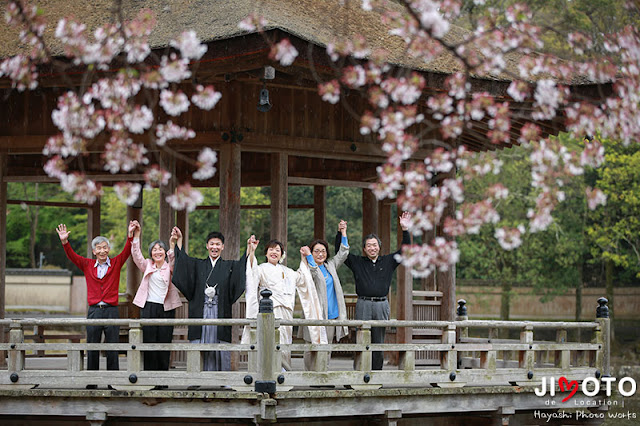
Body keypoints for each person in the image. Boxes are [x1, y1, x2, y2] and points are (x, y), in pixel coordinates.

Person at [335, 212, 411, 370]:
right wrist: (341, 233)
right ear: (364, 248)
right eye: (369, 245)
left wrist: (405, 229)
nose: (372, 248)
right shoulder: (358, 262)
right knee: (362, 340)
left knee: (378, 341)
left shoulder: (388, 261)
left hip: (381, 304)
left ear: (379, 247)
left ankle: (377, 374)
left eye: (374, 245)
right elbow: (340, 253)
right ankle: (360, 373)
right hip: (363, 303)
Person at [56, 222, 134, 373]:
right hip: (94, 311)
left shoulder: (116, 263)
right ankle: (92, 379)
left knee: (112, 346)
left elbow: (126, 251)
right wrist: (65, 242)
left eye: (105, 247)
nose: (102, 250)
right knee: (92, 346)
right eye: (99, 248)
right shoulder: (87, 264)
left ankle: (112, 380)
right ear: (94, 251)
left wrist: (130, 235)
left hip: (111, 311)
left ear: (109, 250)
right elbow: (73, 256)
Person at [170, 227, 251, 371]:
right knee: (199, 341)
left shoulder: (229, 266)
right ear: (207, 246)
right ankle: (196, 378)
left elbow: (241, 267)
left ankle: (223, 378)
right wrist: (180, 241)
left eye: (218, 244)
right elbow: (183, 261)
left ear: (223, 247)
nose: (215, 247)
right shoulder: (198, 265)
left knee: (220, 343)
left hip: (220, 310)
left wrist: (249, 250)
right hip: (200, 310)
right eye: (212, 244)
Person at [242, 238, 326, 371]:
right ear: (266, 253)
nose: (274, 252)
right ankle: (268, 372)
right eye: (271, 249)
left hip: (286, 313)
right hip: (269, 312)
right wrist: (251, 251)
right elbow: (251, 271)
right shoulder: (261, 269)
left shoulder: (288, 271)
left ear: (282, 254)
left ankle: (284, 372)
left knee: (285, 342)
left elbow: (302, 278)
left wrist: (303, 258)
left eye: (277, 250)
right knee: (270, 341)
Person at [129, 220, 182, 371]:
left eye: (160, 249)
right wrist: (136, 235)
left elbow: (173, 259)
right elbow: (136, 254)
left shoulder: (169, 267)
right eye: (154, 249)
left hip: (166, 308)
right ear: (151, 253)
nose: (157, 252)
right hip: (149, 307)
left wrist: (173, 243)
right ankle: (149, 375)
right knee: (149, 342)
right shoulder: (147, 265)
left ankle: (162, 377)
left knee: (164, 342)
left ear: (164, 252)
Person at [300, 220, 350, 370]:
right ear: (311, 253)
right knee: (311, 345)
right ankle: (310, 373)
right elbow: (314, 272)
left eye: (323, 251)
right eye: (316, 251)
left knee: (327, 345)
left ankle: (322, 372)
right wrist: (308, 257)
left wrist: (343, 232)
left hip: (331, 314)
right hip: (314, 314)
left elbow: (343, 253)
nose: (320, 254)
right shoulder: (307, 268)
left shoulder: (331, 266)